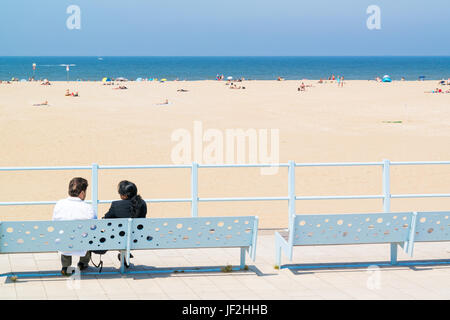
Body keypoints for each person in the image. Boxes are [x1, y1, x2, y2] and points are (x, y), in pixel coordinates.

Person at [52, 177, 97, 276]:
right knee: (88, 237)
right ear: (82, 193)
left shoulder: (60, 204)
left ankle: (66, 266)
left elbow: (54, 222)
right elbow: (94, 227)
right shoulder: (88, 207)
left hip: (63, 242)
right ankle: (83, 263)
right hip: (82, 243)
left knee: (64, 236)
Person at [103, 180, 147, 266]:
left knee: (118, 231)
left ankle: (124, 252)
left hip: (119, 238)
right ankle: (125, 253)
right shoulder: (142, 203)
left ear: (124, 195)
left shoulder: (116, 205)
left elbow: (106, 219)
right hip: (138, 238)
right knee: (127, 231)